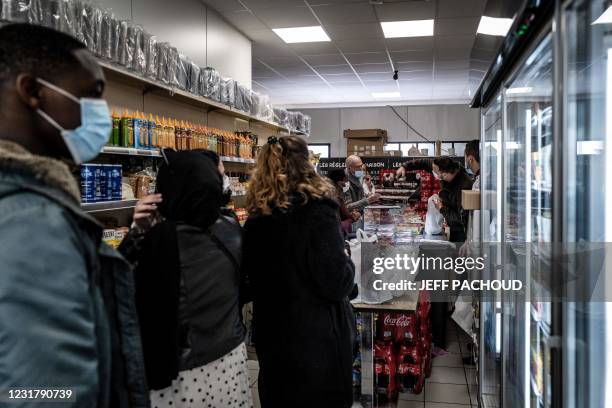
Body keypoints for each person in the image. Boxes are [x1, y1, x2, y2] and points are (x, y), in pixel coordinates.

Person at [0, 24, 149, 407]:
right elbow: (45, 390)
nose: (100, 115)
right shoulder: (32, 219)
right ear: (32, 92)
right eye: (91, 95)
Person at [121, 150, 252, 408]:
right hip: (231, 357)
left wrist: (136, 233)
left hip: (181, 374)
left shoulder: (158, 240)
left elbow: (118, 289)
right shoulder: (231, 228)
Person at [243, 136, 356, 408]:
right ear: (305, 163)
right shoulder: (317, 209)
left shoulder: (257, 216)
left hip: (274, 336)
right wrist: (348, 262)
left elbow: (249, 279)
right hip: (316, 339)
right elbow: (336, 281)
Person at [397, 156, 473, 242]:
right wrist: (405, 166)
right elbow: (423, 162)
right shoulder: (443, 168)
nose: (432, 171)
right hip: (451, 221)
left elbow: (460, 219)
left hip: (462, 232)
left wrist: (441, 208)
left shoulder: (464, 186)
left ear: (443, 174)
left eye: (434, 171)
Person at [327, 168, 356, 236]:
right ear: (340, 183)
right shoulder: (331, 200)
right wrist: (351, 219)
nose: (347, 184)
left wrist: (351, 215)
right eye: (346, 181)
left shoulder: (338, 197)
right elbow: (334, 226)